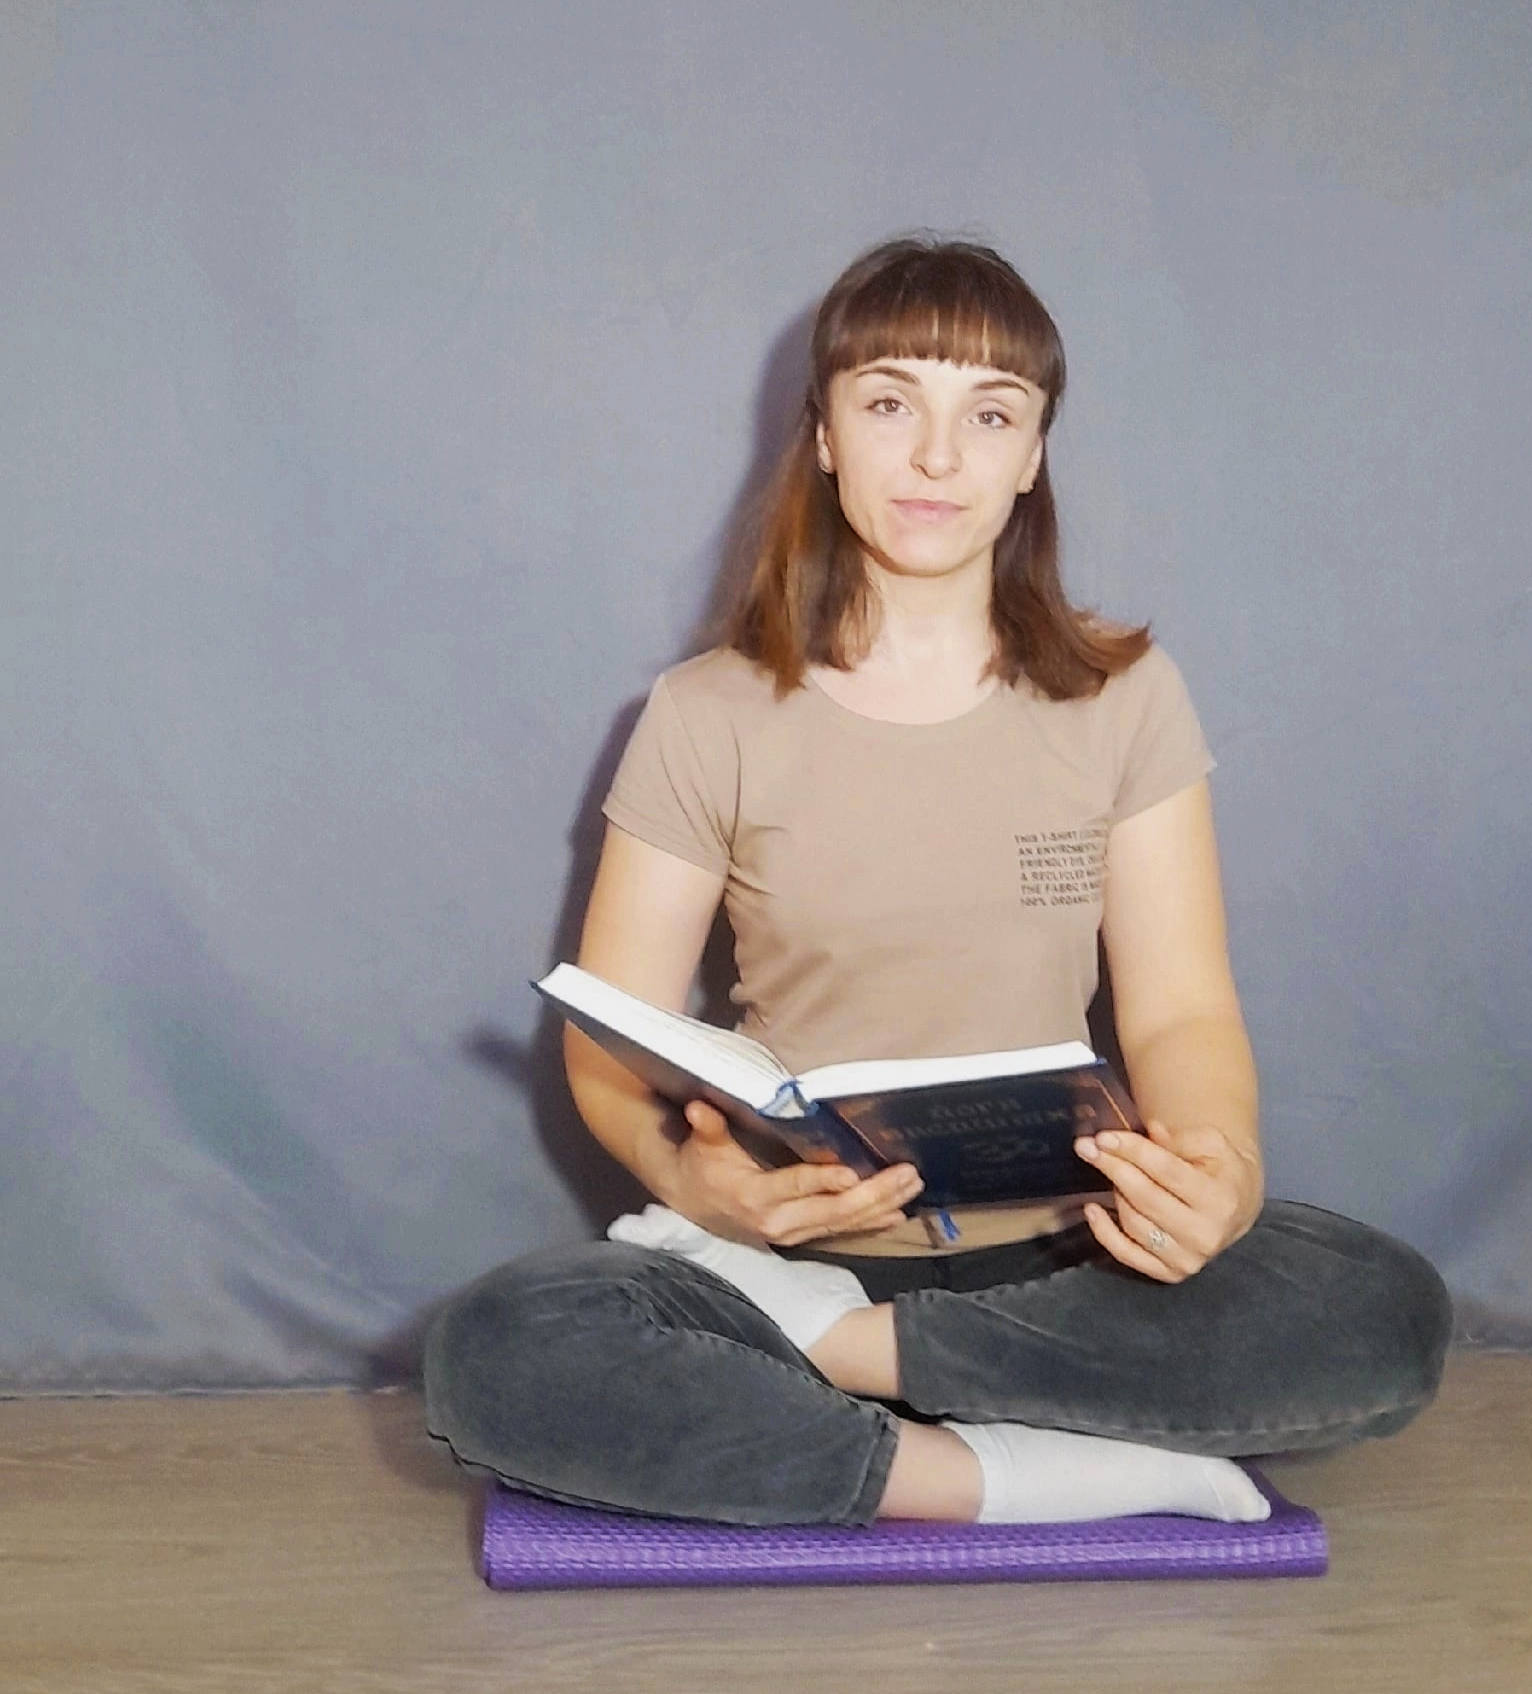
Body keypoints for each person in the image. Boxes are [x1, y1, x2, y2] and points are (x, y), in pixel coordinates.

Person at [424, 236, 1452, 1527]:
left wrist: (1221, 1174)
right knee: (499, 1345)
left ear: (1033, 456)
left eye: (991, 415)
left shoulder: (1126, 696)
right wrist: (689, 1183)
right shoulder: (703, 713)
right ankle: (1008, 1471)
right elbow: (607, 1045)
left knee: (1382, 1310)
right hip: (784, 1258)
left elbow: (1183, 1014)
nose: (936, 456)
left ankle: (855, 1367)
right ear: (824, 434)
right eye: (890, 402)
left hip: (1069, 1275)